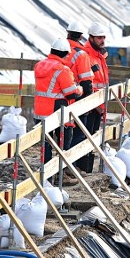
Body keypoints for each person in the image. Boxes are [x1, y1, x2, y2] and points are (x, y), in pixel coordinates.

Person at [34, 37, 83, 183]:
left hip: (40, 112)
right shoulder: (62, 69)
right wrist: (79, 89)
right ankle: (62, 176)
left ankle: (46, 177)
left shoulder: (39, 66)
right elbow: (71, 93)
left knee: (45, 145)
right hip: (57, 113)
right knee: (64, 143)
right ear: (65, 54)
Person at [78, 21, 109, 173]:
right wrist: (95, 103)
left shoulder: (99, 56)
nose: (102, 41)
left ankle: (88, 170)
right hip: (90, 104)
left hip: (98, 104)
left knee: (93, 138)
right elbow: (87, 83)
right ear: (90, 38)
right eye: (99, 38)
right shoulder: (87, 56)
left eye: (103, 37)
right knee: (86, 137)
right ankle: (84, 169)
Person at [64, 20, 94, 156]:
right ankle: (71, 164)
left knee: (63, 132)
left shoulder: (60, 49)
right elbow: (86, 82)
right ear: (81, 36)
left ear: (68, 33)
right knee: (78, 132)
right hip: (78, 96)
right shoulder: (81, 54)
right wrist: (88, 103)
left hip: (60, 97)